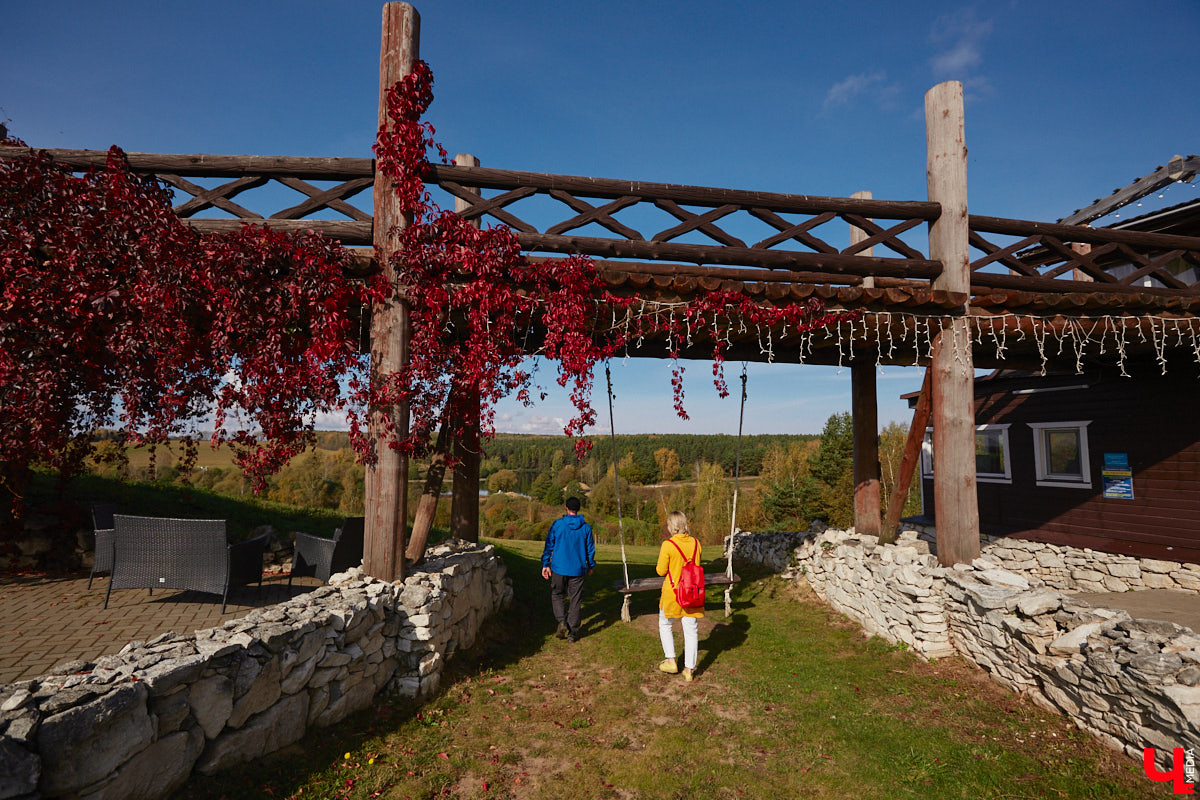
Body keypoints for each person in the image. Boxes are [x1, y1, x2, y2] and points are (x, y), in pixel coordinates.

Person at [540, 496, 595, 643]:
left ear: (566, 508)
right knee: (575, 599)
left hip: (559, 567)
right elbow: (590, 549)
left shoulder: (558, 525)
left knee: (557, 594)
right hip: (578, 569)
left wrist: (545, 564)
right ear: (578, 509)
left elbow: (549, 545)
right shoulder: (586, 527)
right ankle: (572, 632)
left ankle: (562, 621)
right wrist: (591, 565)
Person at [656, 510, 703, 681]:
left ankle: (671, 660)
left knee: (665, 624)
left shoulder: (668, 545)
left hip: (673, 593)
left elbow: (661, 571)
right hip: (692, 592)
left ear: (672, 526)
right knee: (691, 630)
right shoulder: (696, 543)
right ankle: (689, 670)